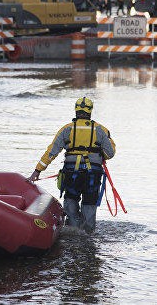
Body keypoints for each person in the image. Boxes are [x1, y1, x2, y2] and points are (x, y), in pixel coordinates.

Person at [28, 97, 115, 234]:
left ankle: (73, 232)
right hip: (92, 175)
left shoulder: (66, 129)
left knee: (71, 201)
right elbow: (110, 153)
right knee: (89, 203)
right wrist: (97, 152)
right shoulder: (101, 130)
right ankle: (87, 234)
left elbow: (51, 152)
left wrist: (37, 171)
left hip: (72, 175)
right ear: (90, 111)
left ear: (76, 110)